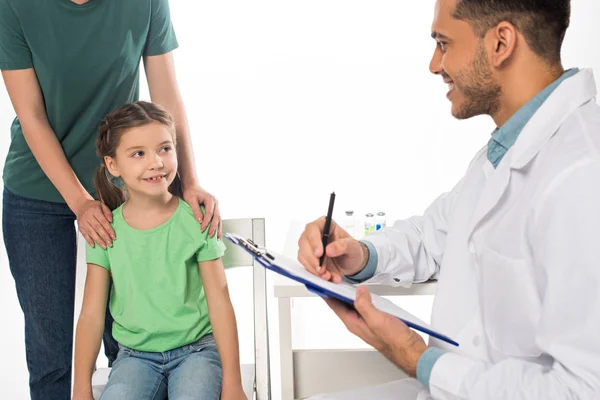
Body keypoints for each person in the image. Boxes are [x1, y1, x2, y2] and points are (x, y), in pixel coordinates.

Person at [298, 0, 600, 399]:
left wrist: (414, 356)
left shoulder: (581, 173)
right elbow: (435, 234)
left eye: (444, 43)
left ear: (501, 43)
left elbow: (581, 390)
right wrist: (360, 254)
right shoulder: (509, 148)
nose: (434, 64)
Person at [0, 1, 221, 398]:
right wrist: (80, 202)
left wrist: (189, 180)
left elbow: (167, 97)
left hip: (123, 188)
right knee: (51, 353)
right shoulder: (14, 7)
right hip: (36, 191)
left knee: (129, 342)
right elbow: (31, 114)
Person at [72, 101, 246, 400]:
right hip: (134, 358)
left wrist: (233, 384)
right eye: (138, 153)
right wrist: (80, 389)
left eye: (165, 149)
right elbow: (91, 314)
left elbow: (220, 302)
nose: (156, 162)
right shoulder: (105, 230)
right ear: (112, 165)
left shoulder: (197, 219)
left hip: (197, 353)